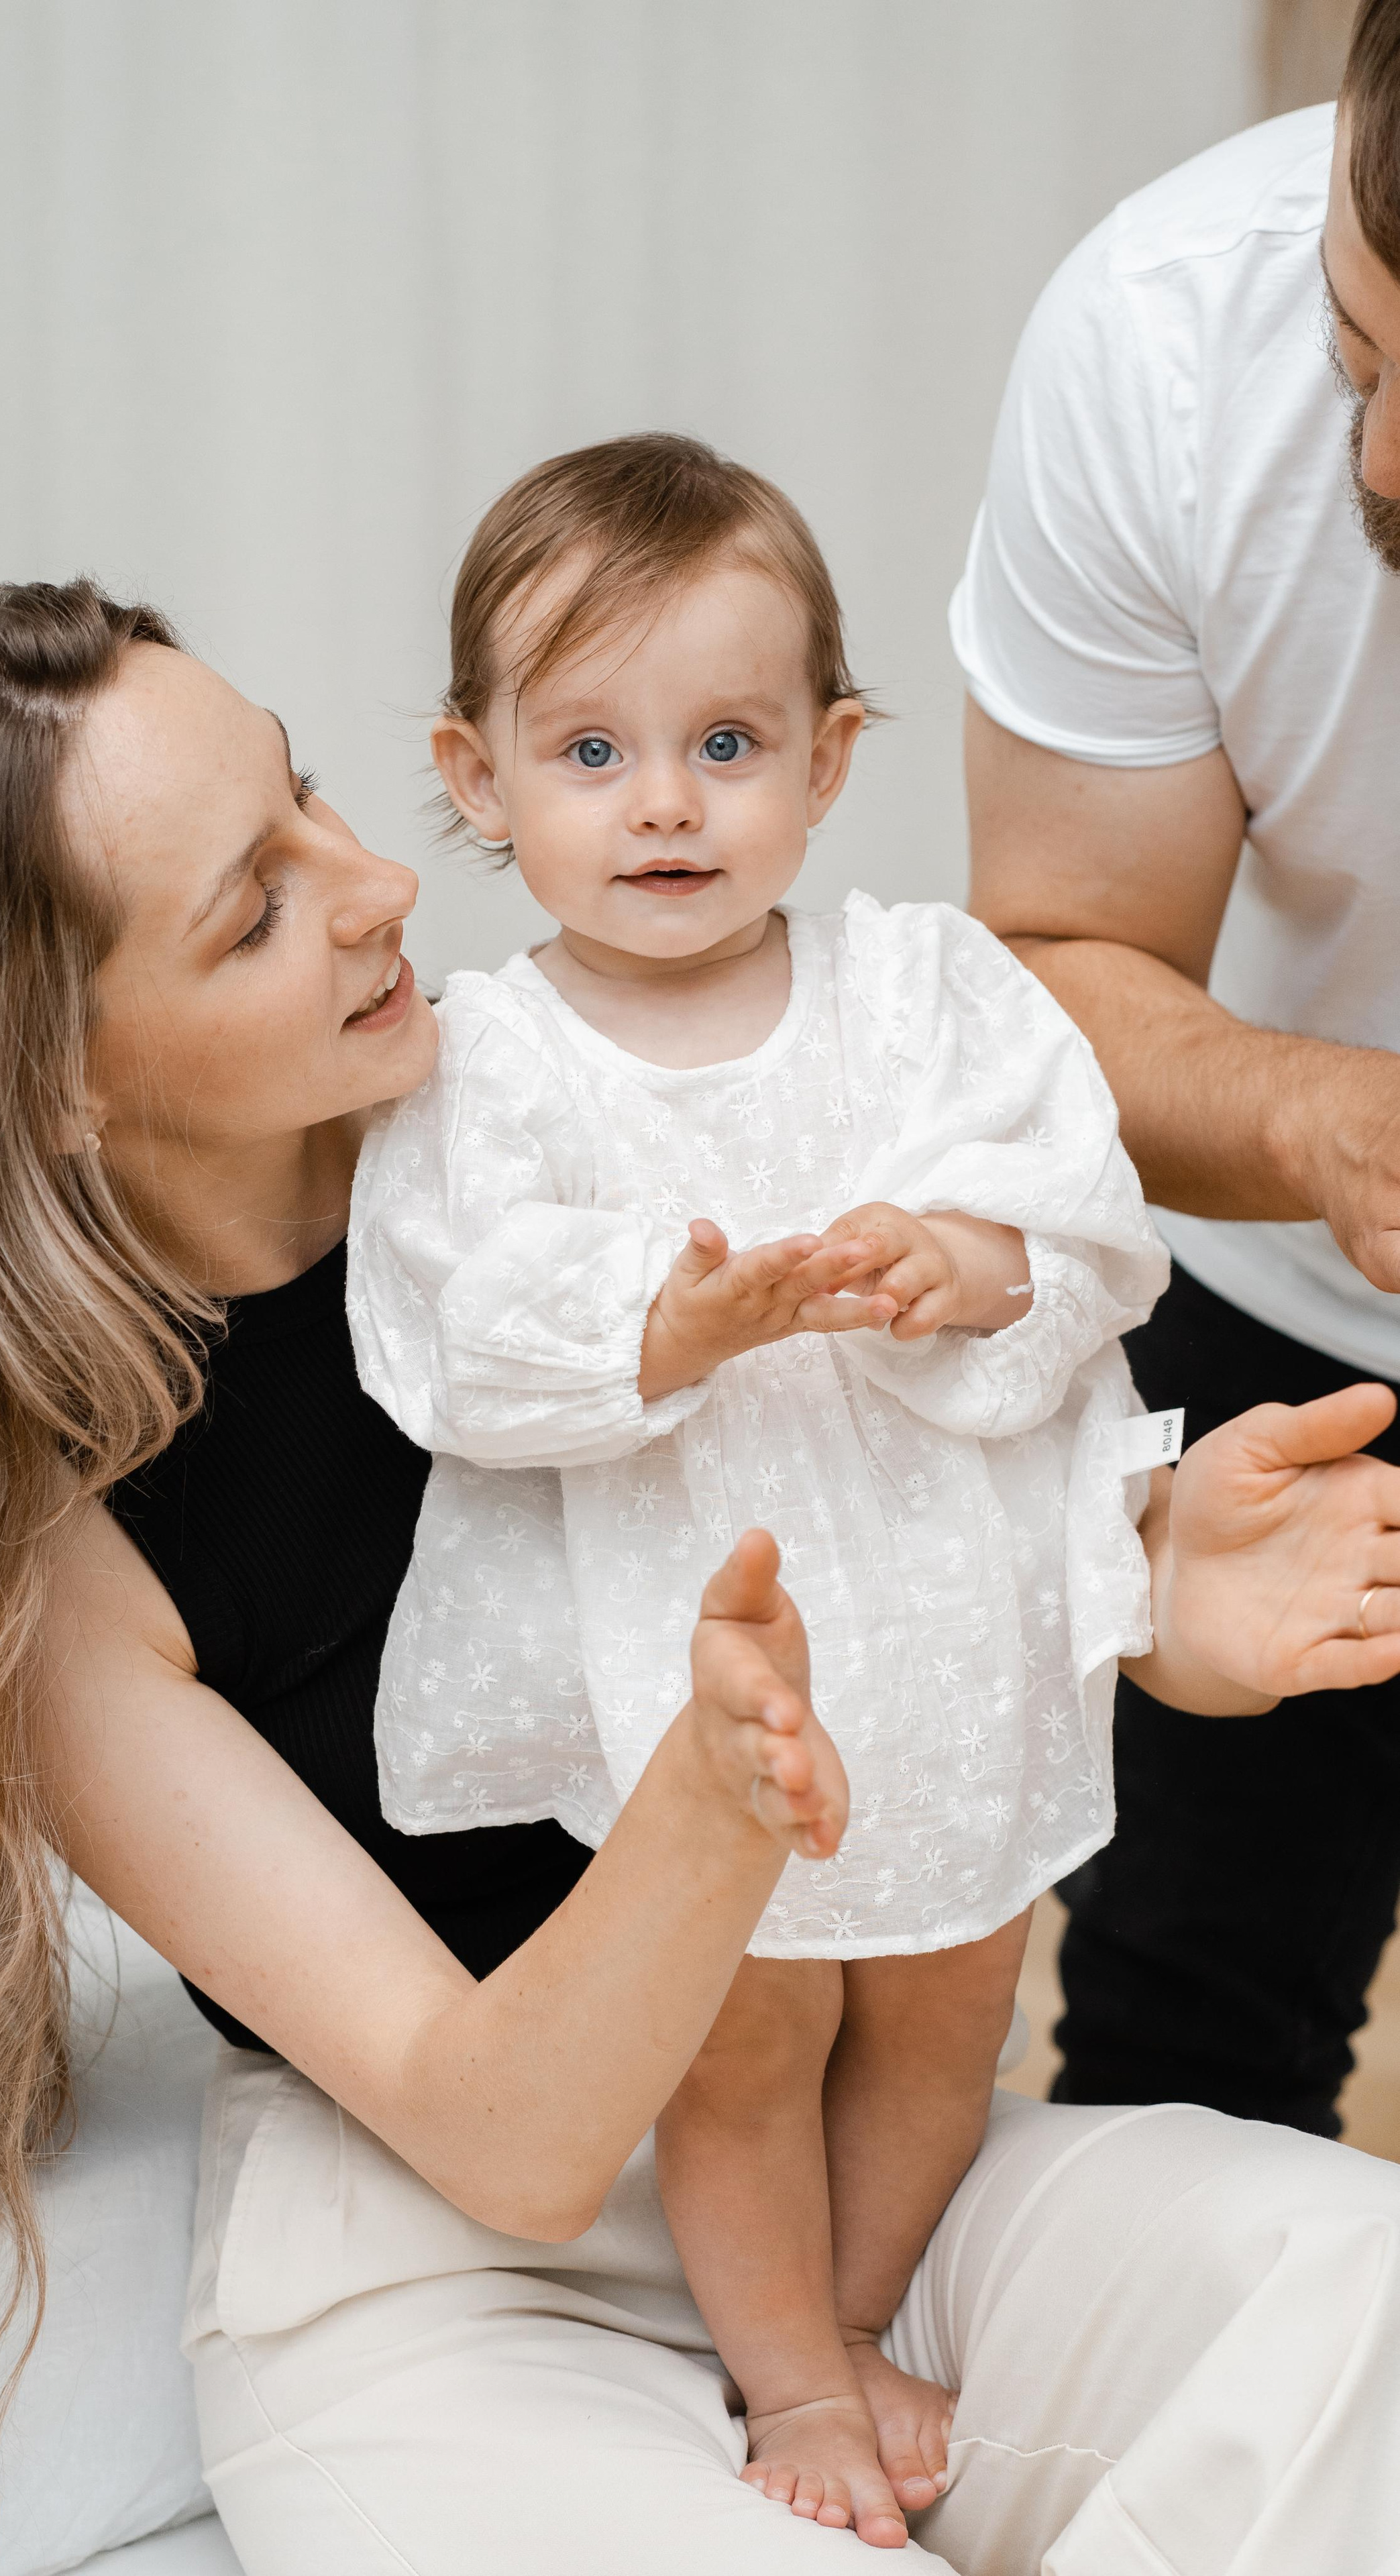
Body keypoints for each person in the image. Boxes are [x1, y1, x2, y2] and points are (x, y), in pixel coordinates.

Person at [0, 582, 1400, 2576]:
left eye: (310, 796)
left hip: (863, 2198)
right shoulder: (62, 1557)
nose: (379, 887)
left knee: (1356, 2308)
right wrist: (705, 1807)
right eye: (253, 909)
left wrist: (1146, 1586)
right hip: (461, 2289)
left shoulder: (584, 1110)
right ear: (48, 1079)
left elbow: (910, 1524)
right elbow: (499, 2126)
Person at [349, 431, 1171, 2541]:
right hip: (688, 1630)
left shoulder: (923, 988)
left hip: (940, 1618)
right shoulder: (495, 1057)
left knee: (956, 1990)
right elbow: (452, 1328)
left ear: (829, 756)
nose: (665, 804)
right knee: (742, 2027)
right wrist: (666, 1323)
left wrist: (967, 1262)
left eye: (727, 740)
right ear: (481, 774)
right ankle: (788, 2375)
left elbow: (1079, 1210)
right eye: (593, 749)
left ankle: (868, 2305)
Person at [955, 0, 1400, 2133]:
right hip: (1296, 1311)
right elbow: (1060, 967)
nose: (1382, 467)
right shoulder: (1162, 338)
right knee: (1185, 2048)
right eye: (1362, 345)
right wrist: (1319, 1117)